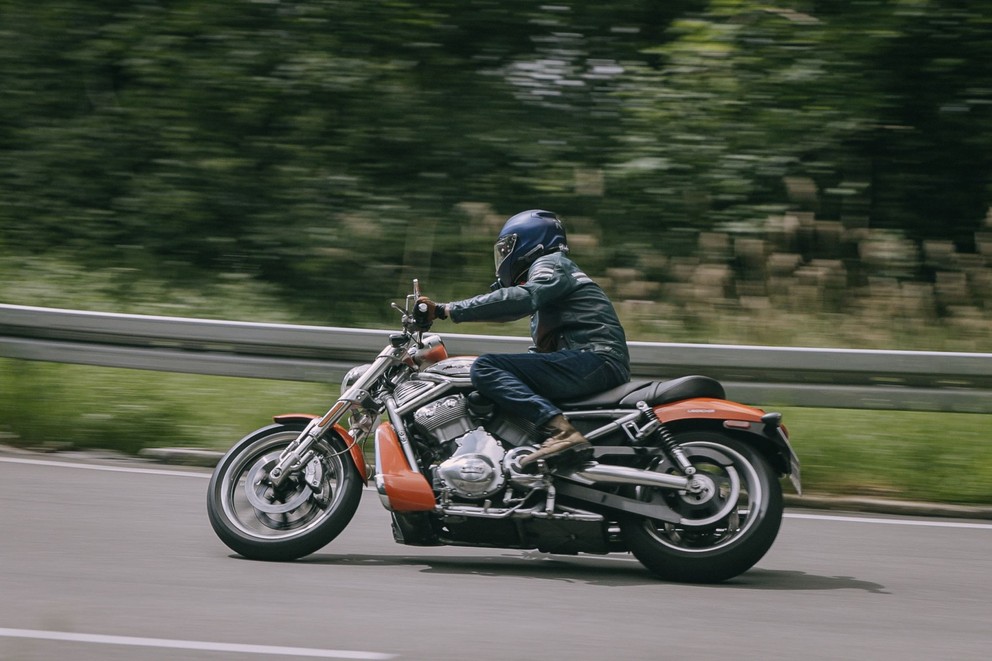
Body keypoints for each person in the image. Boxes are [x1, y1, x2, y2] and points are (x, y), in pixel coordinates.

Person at [417, 209, 630, 468]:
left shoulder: (551, 264)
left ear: (530, 241)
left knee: (486, 367)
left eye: (507, 247)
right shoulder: (550, 277)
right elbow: (513, 310)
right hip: (589, 359)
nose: (504, 256)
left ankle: (563, 434)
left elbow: (520, 299)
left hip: (594, 358)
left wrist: (445, 310)